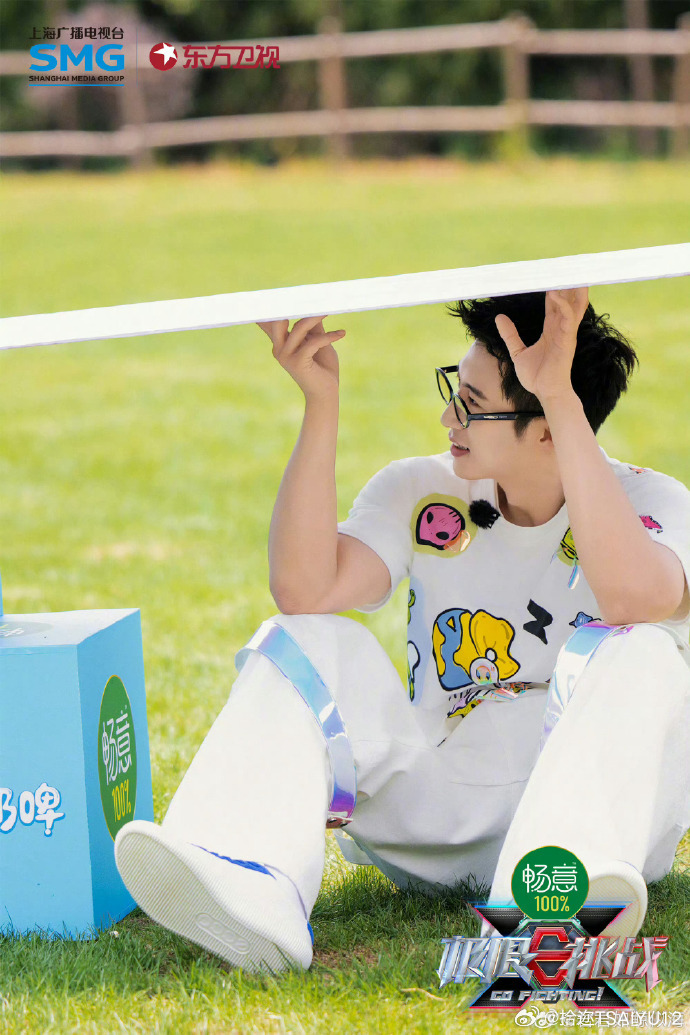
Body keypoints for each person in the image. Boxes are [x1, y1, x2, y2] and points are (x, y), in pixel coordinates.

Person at [114, 287, 690, 974]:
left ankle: (556, 902)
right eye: (454, 391)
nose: (448, 417)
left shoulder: (654, 501)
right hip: (439, 809)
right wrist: (320, 403)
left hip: (594, 826)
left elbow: (634, 597)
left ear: (544, 428)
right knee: (308, 636)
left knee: (644, 645)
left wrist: (562, 402)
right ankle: (246, 876)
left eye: (471, 404)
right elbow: (306, 589)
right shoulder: (421, 489)